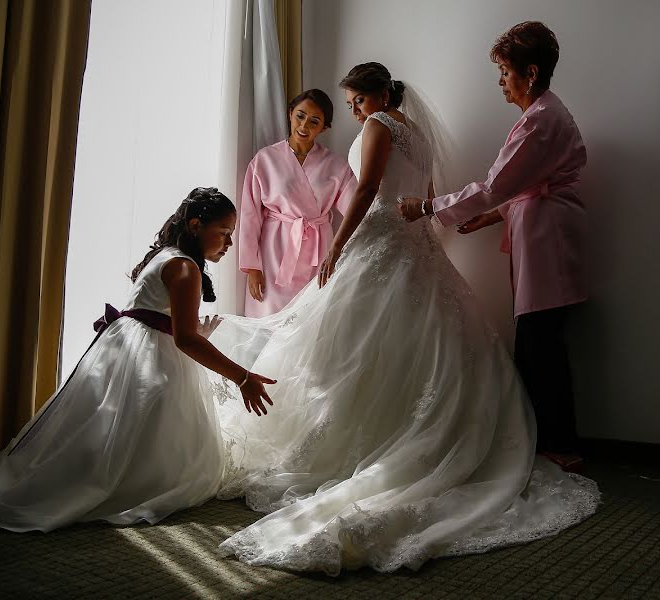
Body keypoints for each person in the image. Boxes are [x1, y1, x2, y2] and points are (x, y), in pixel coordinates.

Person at [207, 63, 599, 575]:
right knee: (410, 340)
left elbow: (368, 187)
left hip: (380, 237)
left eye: (354, 101)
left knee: (350, 343)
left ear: (374, 96)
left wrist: (338, 245)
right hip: (412, 241)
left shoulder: (379, 125)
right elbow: (423, 191)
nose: (352, 111)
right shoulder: (416, 133)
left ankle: (356, 444)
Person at [0, 187, 275, 533]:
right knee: (143, 423)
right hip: (149, 353)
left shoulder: (165, 255)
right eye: (225, 233)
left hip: (124, 343)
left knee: (106, 425)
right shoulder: (185, 268)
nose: (229, 244)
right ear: (195, 225)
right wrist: (242, 376)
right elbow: (184, 338)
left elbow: (162, 317)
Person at [400, 21, 588, 470]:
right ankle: (554, 443)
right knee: (540, 342)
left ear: (531, 71)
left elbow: (495, 186)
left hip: (549, 240)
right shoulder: (541, 116)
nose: (500, 81)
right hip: (543, 231)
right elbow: (512, 190)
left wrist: (428, 206)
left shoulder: (540, 122)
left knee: (539, 345)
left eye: (505, 71)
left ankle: (558, 446)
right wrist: (489, 216)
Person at [239, 89, 357, 317]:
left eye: (315, 121)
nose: (304, 126)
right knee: (268, 317)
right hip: (274, 252)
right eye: (300, 116)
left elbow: (355, 207)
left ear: (324, 127)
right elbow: (249, 215)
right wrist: (252, 267)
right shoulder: (265, 159)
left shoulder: (336, 165)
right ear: (290, 113)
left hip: (317, 251)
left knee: (309, 319)